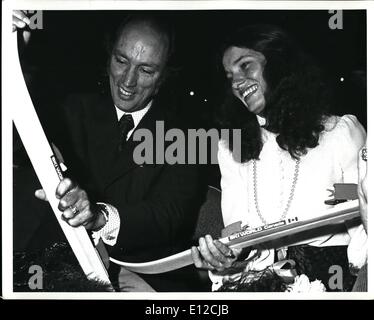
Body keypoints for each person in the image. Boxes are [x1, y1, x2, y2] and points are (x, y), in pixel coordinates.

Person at [14, 12, 206, 292]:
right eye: (121, 61)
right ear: (109, 58)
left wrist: (99, 217)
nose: (128, 81)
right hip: (56, 264)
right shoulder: (72, 109)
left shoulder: (185, 136)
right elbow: (17, 133)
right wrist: (14, 52)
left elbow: (169, 217)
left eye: (146, 70)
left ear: (163, 77)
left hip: (141, 272)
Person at [191, 24, 367, 291]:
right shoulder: (232, 147)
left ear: (279, 64)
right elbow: (237, 231)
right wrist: (227, 258)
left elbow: (364, 225)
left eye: (246, 66)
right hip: (259, 284)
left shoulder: (340, 133)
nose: (237, 82)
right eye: (230, 76)